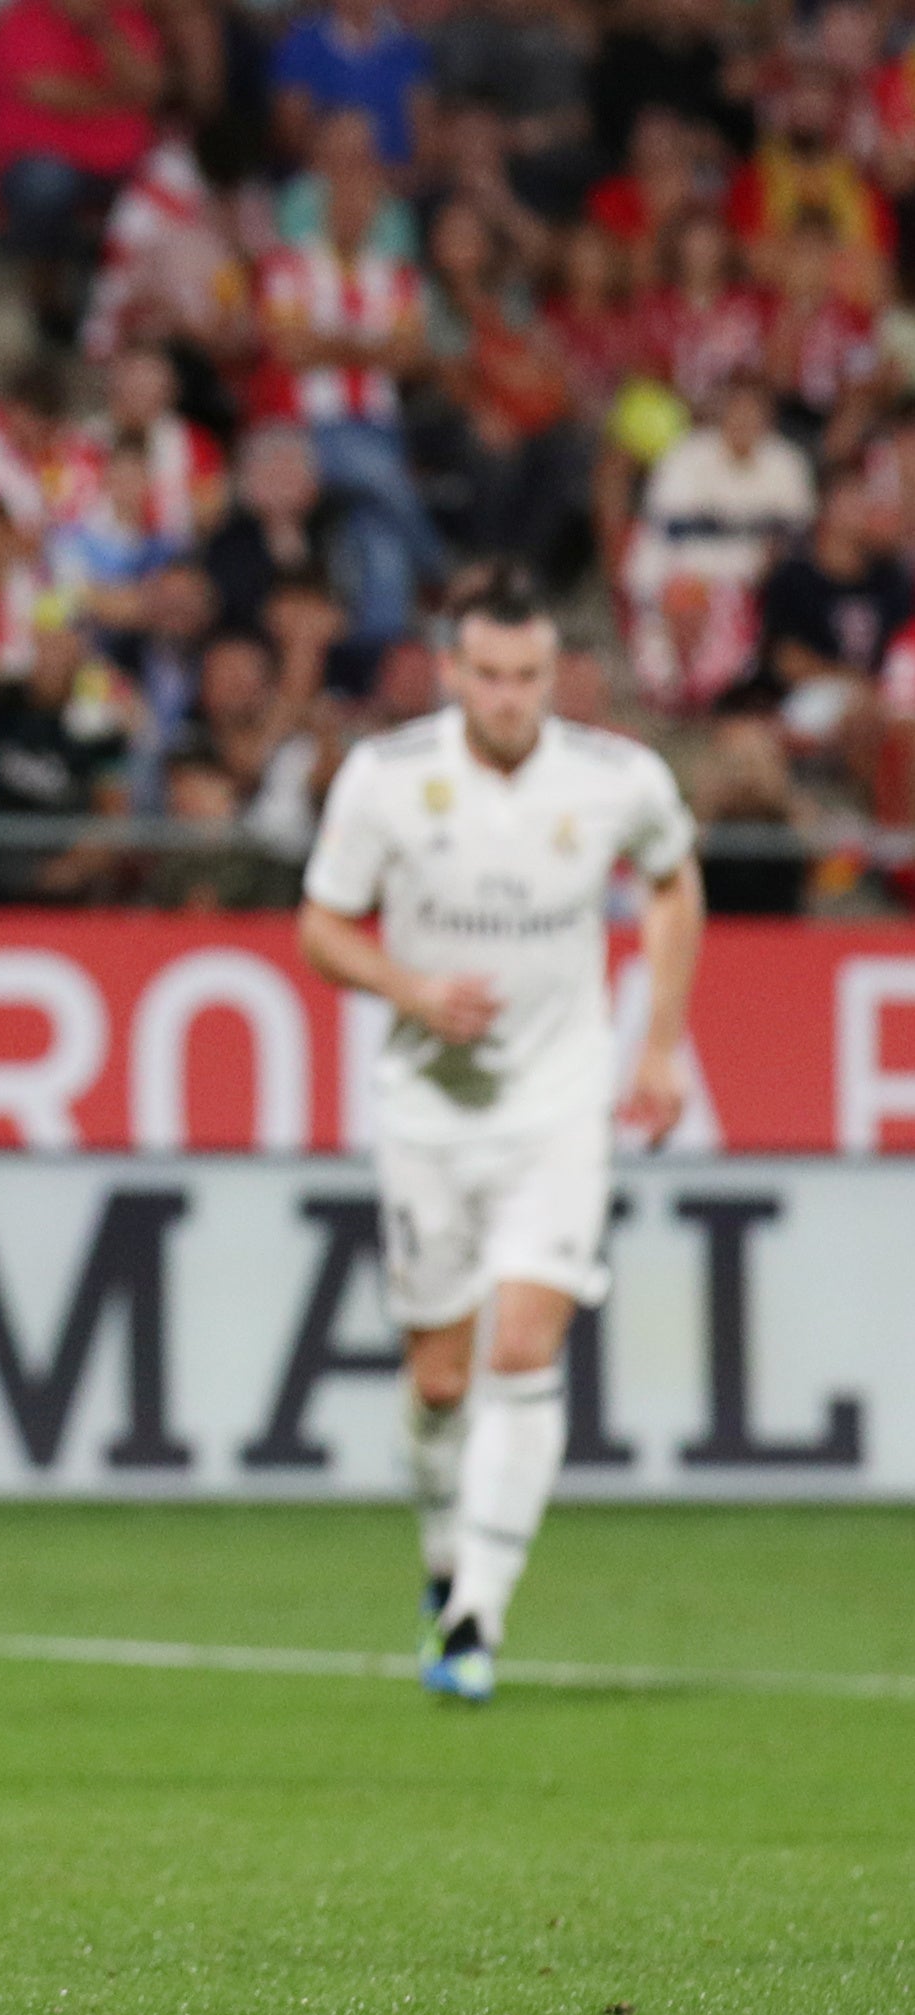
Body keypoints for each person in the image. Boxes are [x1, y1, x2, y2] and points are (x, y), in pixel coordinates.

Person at [296, 565, 702, 1708]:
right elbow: (321, 925)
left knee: (520, 1347)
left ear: (551, 675)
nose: (509, 696)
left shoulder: (616, 779)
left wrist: (658, 1042)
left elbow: (673, 884)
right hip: (427, 1112)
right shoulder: (385, 780)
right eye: (488, 674)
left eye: (528, 676)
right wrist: (408, 988)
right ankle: (441, 1556)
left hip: (556, 1107)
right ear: (450, 671)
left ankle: (475, 1614)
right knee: (435, 1380)